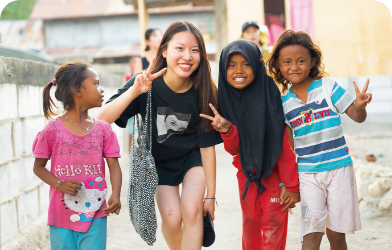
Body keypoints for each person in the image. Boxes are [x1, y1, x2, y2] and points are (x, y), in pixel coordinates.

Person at [97, 21, 222, 250]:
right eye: (180, 48)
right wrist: (135, 91)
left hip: (193, 157)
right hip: (159, 163)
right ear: (164, 50)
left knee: (192, 209)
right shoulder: (145, 82)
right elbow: (101, 119)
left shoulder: (204, 90)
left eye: (195, 50)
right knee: (173, 218)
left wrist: (211, 196)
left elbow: (207, 146)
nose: (187, 56)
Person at [266, 30, 372, 250]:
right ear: (278, 65)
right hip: (307, 175)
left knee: (336, 235)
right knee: (311, 234)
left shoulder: (329, 88)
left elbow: (357, 117)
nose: (294, 67)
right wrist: (288, 182)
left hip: (339, 170)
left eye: (301, 61)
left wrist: (360, 108)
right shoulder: (284, 103)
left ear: (312, 61)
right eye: (287, 62)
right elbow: (288, 147)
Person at [200, 39, 300, 250]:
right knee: (250, 223)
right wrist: (228, 129)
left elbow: (282, 144)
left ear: (256, 65)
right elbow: (235, 150)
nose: (239, 70)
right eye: (231, 64)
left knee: (273, 226)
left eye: (245, 64)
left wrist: (291, 185)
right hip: (246, 176)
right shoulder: (226, 100)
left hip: (275, 177)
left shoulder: (268, 94)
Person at [32, 61, 122, 249]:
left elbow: (114, 166)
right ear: (77, 90)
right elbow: (38, 167)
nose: (102, 89)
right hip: (60, 217)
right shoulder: (52, 131)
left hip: (96, 215)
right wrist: (60, 184)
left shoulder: (104, 130)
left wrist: (116, 193)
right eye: (96, 83)